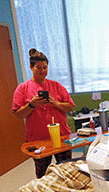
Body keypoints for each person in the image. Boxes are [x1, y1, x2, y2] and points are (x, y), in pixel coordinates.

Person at [12, 48, 75, 178]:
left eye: (45, 67)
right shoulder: (22, 88)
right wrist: (31, 105)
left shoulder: (56, 86)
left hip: (61, 136)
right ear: (31, 67)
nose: (42, 71)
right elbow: (19, 114)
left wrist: (56, 104)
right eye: (38, 67)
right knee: (42, 174)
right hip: (38, 140)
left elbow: (70, 107)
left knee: (66, 171)